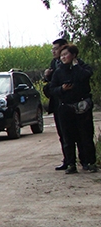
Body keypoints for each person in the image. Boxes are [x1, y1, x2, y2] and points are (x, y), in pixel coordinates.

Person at [48, 44, 96, 174]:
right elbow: (52, 89)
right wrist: (62, 89)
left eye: (66, 55)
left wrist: (75, 66)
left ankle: (90, 162)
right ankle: (71, 164)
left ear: (74, 55)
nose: (63, 57)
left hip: (82, 106)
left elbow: (84, 77)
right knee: (68, 137)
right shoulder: (58, 71)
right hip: (65, 108)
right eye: (61, 55)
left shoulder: (83, 67)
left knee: (86, 135)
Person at [44, 38, 70, 169]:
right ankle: (68, 160)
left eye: (56, 49)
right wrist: (47, 76)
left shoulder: (73, 64)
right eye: (52, 49)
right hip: (57, 104)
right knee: (62, 134)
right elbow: (51, 83)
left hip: (70, 102)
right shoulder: (54, 63)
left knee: (77, 133)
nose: (53, 51)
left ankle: (85, 160)